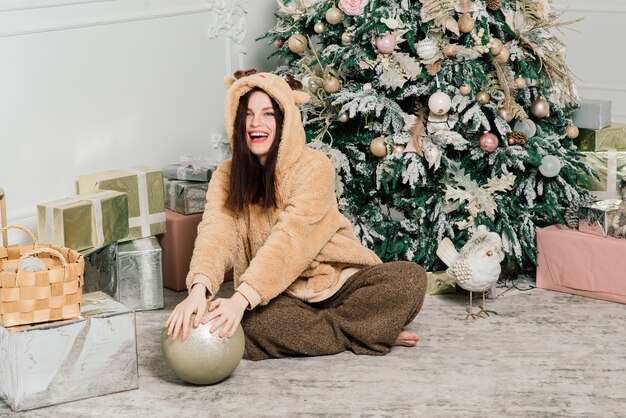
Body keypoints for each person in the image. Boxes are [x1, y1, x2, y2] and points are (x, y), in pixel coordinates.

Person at [164, 72, 427, 361]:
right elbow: (216, 233)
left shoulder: (315, 167)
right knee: (252, 324)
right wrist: (198, 291)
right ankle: (364, 330)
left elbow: (290, 241)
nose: (256, 124)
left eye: (267, 114)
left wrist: (239, 300)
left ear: (284, 121)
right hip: (279, 295)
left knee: (410, 279)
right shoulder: (226, 175)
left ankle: (348, 329)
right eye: (248, 115)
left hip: (339, 284)